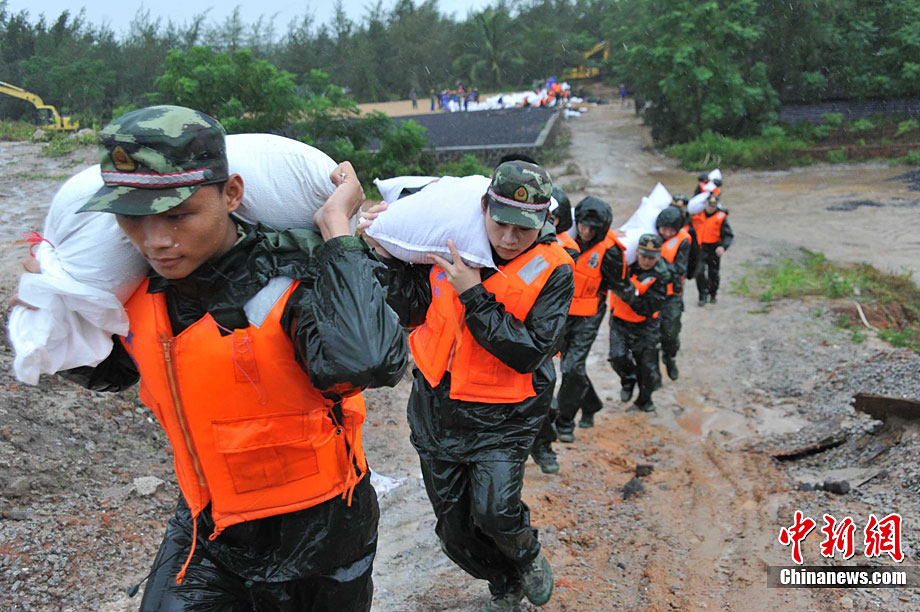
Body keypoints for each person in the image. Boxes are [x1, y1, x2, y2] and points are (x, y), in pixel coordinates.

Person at [40, 105, 408, 610]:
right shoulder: (138, 295)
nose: (156, 241)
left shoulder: (295, 278)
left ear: (232, 194)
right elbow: (108, 372)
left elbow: (366, 363)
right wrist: (53, 311)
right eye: (133, 218)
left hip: (321, 536)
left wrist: (339, 235)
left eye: (178, 215)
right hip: (207, 530)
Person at [368, 161, 574, 611]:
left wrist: (473, 294)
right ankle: (503, 581)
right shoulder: (446, 240)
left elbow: (529, 351)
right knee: (454, 534)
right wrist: (383, 256)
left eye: (523, 228)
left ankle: (526, 553)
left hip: (506, 414)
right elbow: (410, 310)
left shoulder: (554, 268)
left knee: (495, 511)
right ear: (483, 208)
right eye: (501, 224)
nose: (509, 238)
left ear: (543, 219)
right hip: (437, 407)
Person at [553, 196, 627, 444]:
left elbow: (618, 283)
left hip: (589, 314)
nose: (586, 232)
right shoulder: (564, 237)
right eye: (583, 225)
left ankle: (564, 422)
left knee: (571, 367)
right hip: (563, 311)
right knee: (571, 366)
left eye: (592, 229)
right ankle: (592, 403)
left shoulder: (610, 249)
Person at [607, 233, 670, 412]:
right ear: (637, 253)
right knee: (617, 357)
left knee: (646, 366)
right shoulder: (625, 264)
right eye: (643, 256)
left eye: (651, 257)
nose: (647, 261)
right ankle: (628, 380)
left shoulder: (662, 276)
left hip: (645, 326)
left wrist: (628, 295)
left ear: (658, 257)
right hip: (619, 321)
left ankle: (645, 400)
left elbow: (647, 307)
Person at [655, 207, 693, 381]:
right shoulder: (650, 236)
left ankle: (669, 357)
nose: (667, 233)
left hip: (672, 294)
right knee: (650, 336)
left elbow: (679, 269)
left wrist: (658, 263)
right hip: (652, 294)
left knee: (670, 332)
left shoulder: (683, 241)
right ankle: (653, 375)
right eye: (664, 229)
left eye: (671, 230)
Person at [693, 194, 733, 306]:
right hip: (701, 248)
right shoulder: (697, 216)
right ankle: (702, 295)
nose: (711, 208)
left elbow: (728, 235)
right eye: (709, 205)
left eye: (713, 206)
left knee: (713, 273)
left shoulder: (721, 218)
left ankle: (713, 293)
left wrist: (723, 247)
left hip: (714, 249)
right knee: (699, 272)